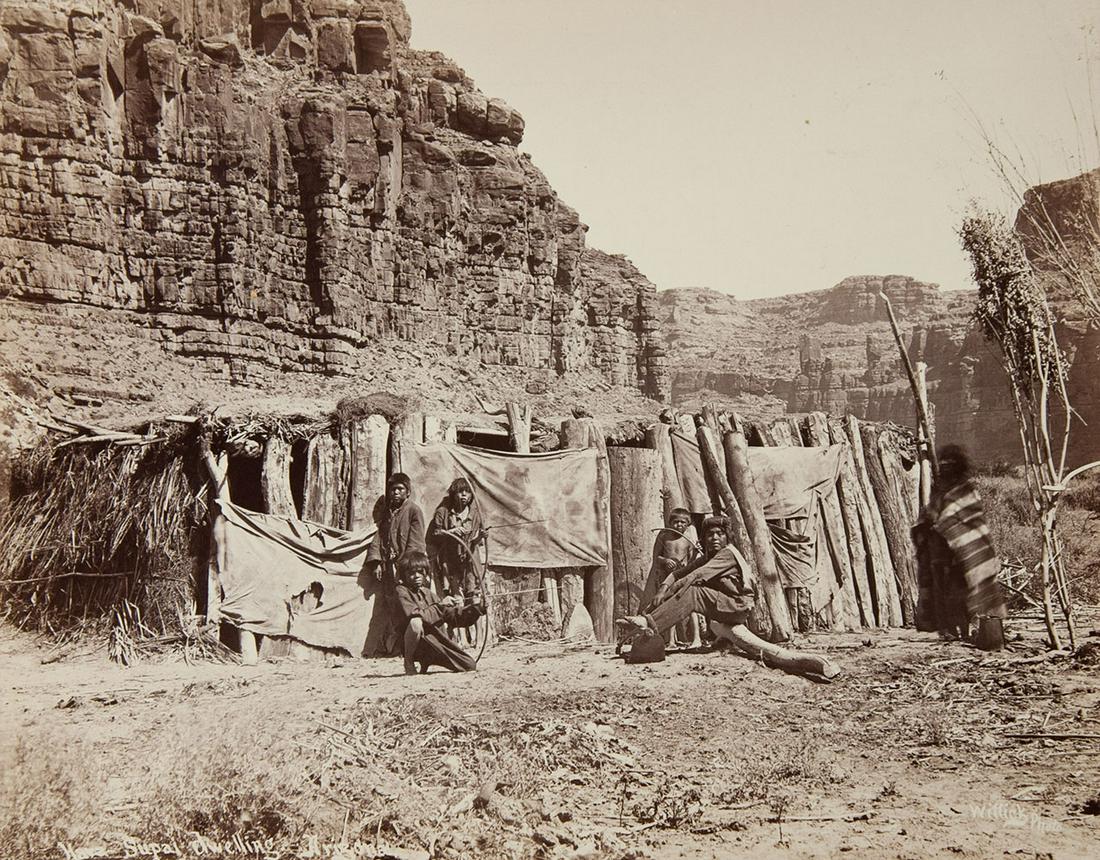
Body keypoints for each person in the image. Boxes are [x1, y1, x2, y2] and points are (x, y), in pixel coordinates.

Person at [913, 444, 1006, 642]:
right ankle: (948, 630)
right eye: (943, 464)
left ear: (959, 466)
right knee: (941, 592)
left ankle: (968, 630)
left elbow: (968, 518)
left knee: (961, 592)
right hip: (939, 551)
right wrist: (926, 523)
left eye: (950, 464)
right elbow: (931, 513)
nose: (946, 467)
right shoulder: (939, 489)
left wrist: (946, 523)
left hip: (962, 552)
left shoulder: (966, 490)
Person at [618, 515, 755, 642]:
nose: (714, 538)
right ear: (704, 539)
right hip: (726, 606)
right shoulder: (708, 557)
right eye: (710, 534)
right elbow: (677, 574)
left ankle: (648, 623)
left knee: (694, 592)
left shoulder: (727, 554)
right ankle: (646, 626)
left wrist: (664, 596)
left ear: (727, 538)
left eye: (720, 534)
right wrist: (662, 589)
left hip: (737, 607)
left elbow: (694, 576)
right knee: (691, 589)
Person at [394, 551, 485, 674]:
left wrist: (477, 608)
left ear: (426, 573)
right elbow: (415, 614)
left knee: (469, 665)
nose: (417, 576)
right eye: (411, 573)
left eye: (421, 572)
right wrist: (440, 605)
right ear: (403, 575)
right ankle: (408, 662)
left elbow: (453, 617)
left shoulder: (427, 593)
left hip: (434, 642)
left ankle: (426, 661)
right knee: (416, 622)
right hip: (414, 644)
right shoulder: (401, 591)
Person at [427, 477, 485, 599]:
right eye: (460, 491)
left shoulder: (475, 514)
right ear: (454, 494)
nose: (464, 494)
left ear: (471, 495)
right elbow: (435, 535)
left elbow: (475, 542)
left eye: (467, 491)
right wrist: (451, 532)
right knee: (455, 599)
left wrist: (481, 536)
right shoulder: (443, 512)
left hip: (470, 561)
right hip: (450, 561)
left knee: (474, 598)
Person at [365, 472, 427, 581]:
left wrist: (405, 568)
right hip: (388, 565)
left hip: (407, 568)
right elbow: (379, 536)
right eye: (393, 489)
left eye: (400, 489)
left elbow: (416, 544)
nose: (396, 492)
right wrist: (376, 562)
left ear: (408, 492)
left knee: (405, 594)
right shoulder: (388, 512)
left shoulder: (413, 511)